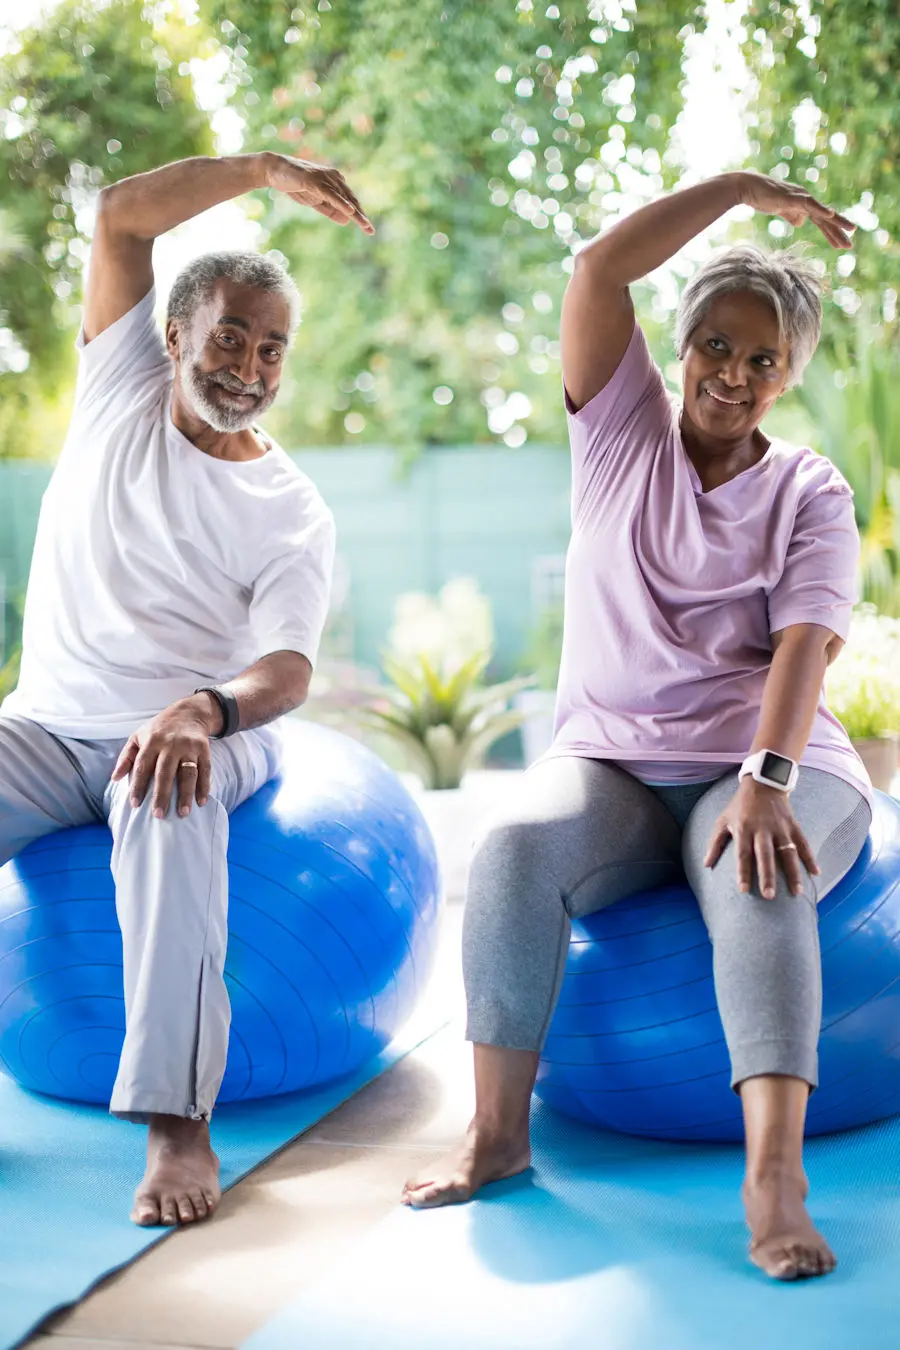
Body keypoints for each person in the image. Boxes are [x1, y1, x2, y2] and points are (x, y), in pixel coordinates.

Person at [402, 171, 870, 1283]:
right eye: (716, 344)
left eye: (764, 361)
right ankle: (497, 1136)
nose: (734, 374)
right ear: (683, 343)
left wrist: (766, 773)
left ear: (790, 374)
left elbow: (807, 642)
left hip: (769, 761)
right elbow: (596, 269)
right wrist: (749, 189)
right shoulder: (620, 432)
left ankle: (775, 1180)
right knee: (513, 851)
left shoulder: (810, 491)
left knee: (754, 867)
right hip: (612, 764)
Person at [0, 149, 373, 1226]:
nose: (250, 365)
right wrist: (262, 169)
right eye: (229, 337)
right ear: (172, 337)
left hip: (204, 728)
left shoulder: (291, 507)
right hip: (49, 724)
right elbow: (117, 216)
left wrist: (203, 709)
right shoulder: (117, 386)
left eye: (272, 348)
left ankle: (178, 1127)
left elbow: (289, 668)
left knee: (170, 806)